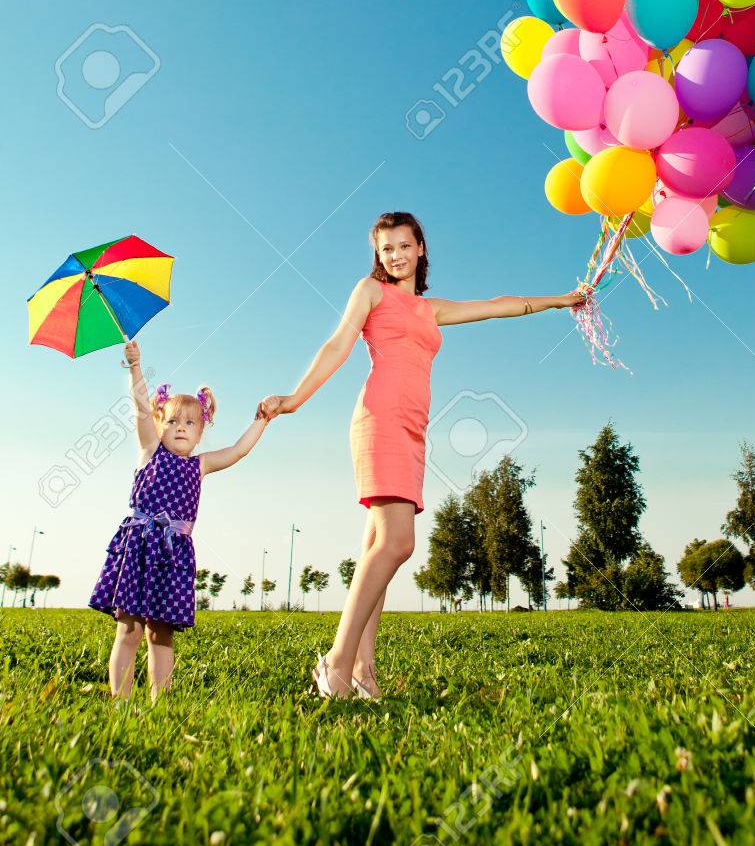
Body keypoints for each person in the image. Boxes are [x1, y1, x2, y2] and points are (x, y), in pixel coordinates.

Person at [259, 210, 586, 699]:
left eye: (403, 245)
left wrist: (561, 301)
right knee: (397, 544)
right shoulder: (371, 292)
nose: (394, 255)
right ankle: (337, 662)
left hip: (414, 428)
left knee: (378, 551)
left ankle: (365, 673)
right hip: (380, 418)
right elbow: (337, 344)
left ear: (421, 248)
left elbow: (498, 306)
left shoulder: (431, 310)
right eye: (385, 248)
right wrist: (295, 398)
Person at [89, 339, 271, 702]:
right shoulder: (150, 450)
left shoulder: (199, 465)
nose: (181, 427)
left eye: (190, 422)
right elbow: (140, 408)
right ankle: (120, 704)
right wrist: (136, 367)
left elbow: (238, 451)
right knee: (128, 630)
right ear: (159, 425)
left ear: (202, 430)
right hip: (139, 547)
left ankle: (160, 703)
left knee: (161, 633)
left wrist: (261, 421)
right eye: (172, 420)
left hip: (172, 556)